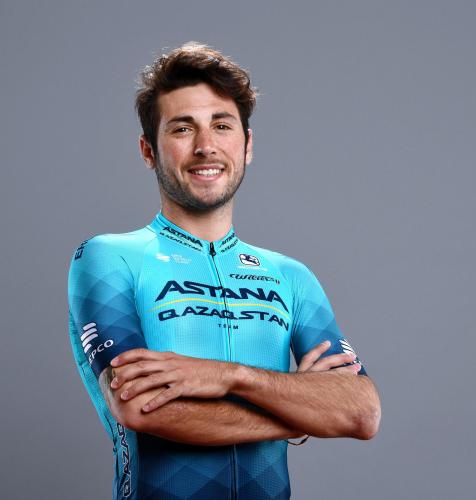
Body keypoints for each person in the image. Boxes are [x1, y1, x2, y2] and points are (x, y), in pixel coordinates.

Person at [68, 42, 381, 500]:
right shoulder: (108, 258)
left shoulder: (290, 276)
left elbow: (361, 412)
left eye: (221, 125)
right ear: (148, 150)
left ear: (247, 145)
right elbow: (142, 408)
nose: (205, 146)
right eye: (182, 128)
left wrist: (232, 376)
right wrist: (299, 410)